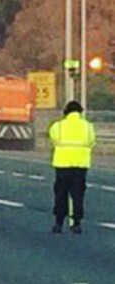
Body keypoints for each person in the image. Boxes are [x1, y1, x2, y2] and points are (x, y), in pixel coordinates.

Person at [48, 100, 96, 234]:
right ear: (80, 112)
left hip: (62, 163)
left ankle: (58, 223)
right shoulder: (87, 126)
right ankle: (76, 223)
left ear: (66, 112)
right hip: (80, 164)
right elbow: (91, 142)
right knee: (78, 194)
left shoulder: (58, 126)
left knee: (61, 194)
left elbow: (54, 140)